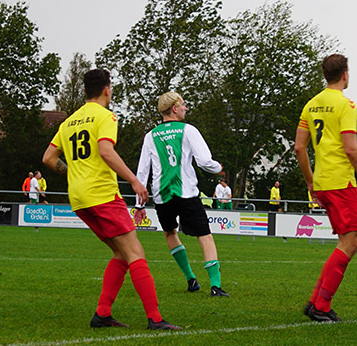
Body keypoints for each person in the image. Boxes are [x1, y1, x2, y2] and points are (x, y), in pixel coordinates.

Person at [42, 68, 179, 331]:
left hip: (79, 198)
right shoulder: (105, 116)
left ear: (84, 91)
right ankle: (155, 319)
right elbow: (106, 151)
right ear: (107, 89)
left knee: (121, 252)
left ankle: (102, 314)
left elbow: (48, 158)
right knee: (135, 252)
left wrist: (73, 172)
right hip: (102, 194)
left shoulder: (68, 122)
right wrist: (135, 180)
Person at [294, 54, 357, 322]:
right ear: (345, 74)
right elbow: (350, 148)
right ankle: (321, 305)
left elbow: (299, 147)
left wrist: (310, 181)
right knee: (352, 243)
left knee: (347, 242)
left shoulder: (311, 105)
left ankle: (315, 301)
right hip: (341, 181)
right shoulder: (346, 105)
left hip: (322, 181)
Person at [136, 91, 229, 298]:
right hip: (186, 192)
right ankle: (215, 286)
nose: (186, 108)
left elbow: (142, 172)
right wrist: (218, 168)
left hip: (162, 195)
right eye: (183, 104)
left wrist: (139, 205)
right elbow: (204, 162)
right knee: (205, 236)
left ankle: (190, 278)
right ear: (175, 108)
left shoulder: (150, 136)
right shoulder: (188, 130)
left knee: (170, 233)